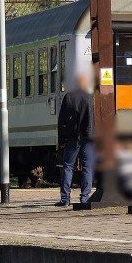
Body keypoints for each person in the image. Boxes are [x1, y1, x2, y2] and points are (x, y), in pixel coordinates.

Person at [56, 73, 94, 207]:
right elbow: (92, 119)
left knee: (67, 167)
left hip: (73, 138)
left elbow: (61, 121)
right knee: (88, 167)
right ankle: (84, 198)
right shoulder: (90, 97)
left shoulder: (69, 97)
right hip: (88, 138)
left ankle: (65, 199)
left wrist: (62, 139)